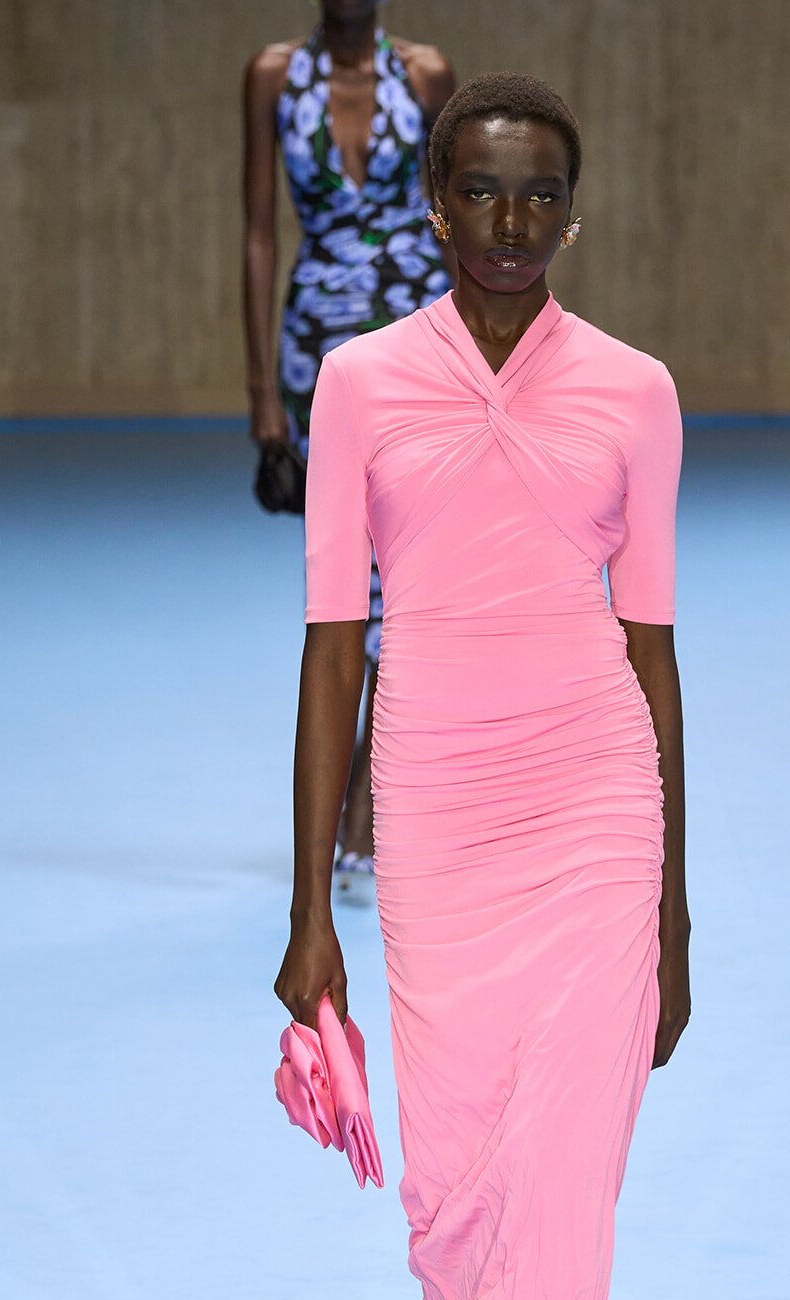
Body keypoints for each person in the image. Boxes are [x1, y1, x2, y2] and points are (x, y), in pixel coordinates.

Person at [274, 72, 691, 1300]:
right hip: (437, 820)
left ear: (569, 215)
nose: (510, 227)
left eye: (539, 200)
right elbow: (327, 654)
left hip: (594, 813)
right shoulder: (362, 387)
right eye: (482, 197)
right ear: (434, 213)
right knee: (452, 1185)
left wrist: (673, 910)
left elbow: (652, 648)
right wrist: (314, 909)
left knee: (566, 1200)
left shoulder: (637, 393)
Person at [243, 0, 454, 898]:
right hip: (319, 353)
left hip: (419, 341)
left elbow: (461, 219)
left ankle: (369, 782)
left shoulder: (426, 75)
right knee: (342, 575)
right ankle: (359, 786)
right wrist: (261, 397)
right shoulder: (271, 77)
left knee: (407, 571)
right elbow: (257, 231)